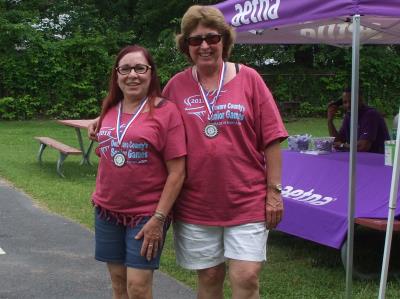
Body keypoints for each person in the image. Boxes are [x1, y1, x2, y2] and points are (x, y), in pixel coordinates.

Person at [89, 6, 287, 298]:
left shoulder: (250, 79)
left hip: (245, 198)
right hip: (196, 204)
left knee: (246, 278)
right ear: (186, 46)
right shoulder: (177, 86)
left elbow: (272, 138)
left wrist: (274, 193)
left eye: (212, 38)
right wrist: (103, 119)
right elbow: (142, 114)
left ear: (224, 40)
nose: (205, 46)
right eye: (196, 40)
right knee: (208, 276)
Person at [91, 45, 186, 299]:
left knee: (138, 287)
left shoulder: (166, 111)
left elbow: (177, 172)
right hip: (107, 210)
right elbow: (109, 148)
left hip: (147, 214)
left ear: (150, 73)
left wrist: (158, 218)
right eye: (125, 68)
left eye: (140, 68)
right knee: (119, 284)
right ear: (117, 74)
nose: (132, 74)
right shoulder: (110, 108)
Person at [327, 87, 390, 153]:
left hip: (377, 159)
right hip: (359, 158)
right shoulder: (349, 116)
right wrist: (330, 121)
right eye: (345, 102)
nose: (348, 105)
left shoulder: (371, 114)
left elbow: (363, 147)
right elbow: (337, 141)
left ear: (360, 100)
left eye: (351, 101)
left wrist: (342, 145)